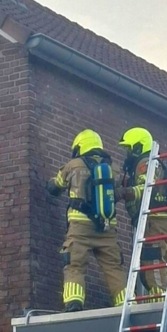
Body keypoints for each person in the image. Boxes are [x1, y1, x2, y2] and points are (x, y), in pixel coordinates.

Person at [47, 129, 127, 311]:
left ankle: (74, 303)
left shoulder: (73, 165)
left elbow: (55, 186)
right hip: (107, 228)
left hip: (80, 228)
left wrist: (50, 183)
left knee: (74, 264)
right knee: (114, 267)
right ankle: (125, 303)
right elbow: (120, 192)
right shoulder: (114, 169)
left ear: (80, 147)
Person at [116, 127, 167, 301]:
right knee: (155, 268)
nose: (127, 154)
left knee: (153, 264)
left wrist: (125, 192)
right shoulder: (151, 163)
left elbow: (147, 187)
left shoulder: (145, 163)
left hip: (155, 222)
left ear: (138, 147)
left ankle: (160, 302)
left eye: (129, 149)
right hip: (159, 222)